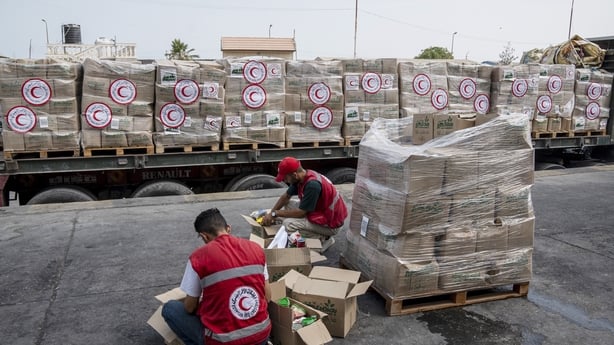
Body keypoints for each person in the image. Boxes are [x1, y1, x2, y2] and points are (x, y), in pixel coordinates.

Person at [162, 208, 271, 345]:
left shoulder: (198, 257)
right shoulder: (256, 249)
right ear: (228, 228)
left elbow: (189, 307)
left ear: (204, 236)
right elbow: (268, 296)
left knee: (170, 308)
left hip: (223, 342)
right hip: (261, 336)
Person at [262, 157, 348, 253]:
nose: (285, 180)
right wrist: (271, 213)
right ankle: (312, 230)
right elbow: (285, 197)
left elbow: (301, 213)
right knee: (289, 204)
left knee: (289, 224)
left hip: (331, 225)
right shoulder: (302, 177)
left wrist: (276, 214)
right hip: (321, 213)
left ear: (294, 174)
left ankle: (325, 239)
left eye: (285, 178)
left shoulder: (312, 185)